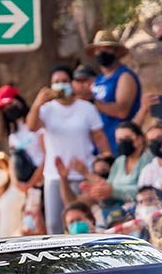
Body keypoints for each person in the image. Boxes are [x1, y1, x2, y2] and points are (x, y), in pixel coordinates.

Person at [26, 64, 110, 233]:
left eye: (64, 81)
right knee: (54, 224)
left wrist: (107, 161)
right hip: (55, 174)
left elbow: (99, 137)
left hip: (82, 171)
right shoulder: (46, 109)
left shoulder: (86, 108)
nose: (60, 85)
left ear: (72, 83)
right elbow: (32, 126)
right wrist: (37, 104)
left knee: (83, 220)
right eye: (56, 82)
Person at [85, 30, 142, 152]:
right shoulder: (98, 80)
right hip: (100, 146)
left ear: (116, 51)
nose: (102, 53)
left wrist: (94, 103)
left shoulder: (124, 76)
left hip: (120, 143)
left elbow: (122, 111)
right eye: (98, 49)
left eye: (106, 48)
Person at [81, 121, 150, 206]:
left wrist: (112, 191)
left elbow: (146, 191)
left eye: (127, 138)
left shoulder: (148, 159)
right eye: (119, 140)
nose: (123, 143)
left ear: (139, 139)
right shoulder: (119, 161)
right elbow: (109, 188)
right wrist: (98, 192)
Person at [0, 85, 45, 189]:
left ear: (19, 100)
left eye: (10, 103)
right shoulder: (12, 132)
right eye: (5, 107)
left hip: (43, 180)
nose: (8, 109)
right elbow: (13, 159)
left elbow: (46, 155)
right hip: (27, 188)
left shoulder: (36, 122)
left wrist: (32, 182)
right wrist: (17, 183)